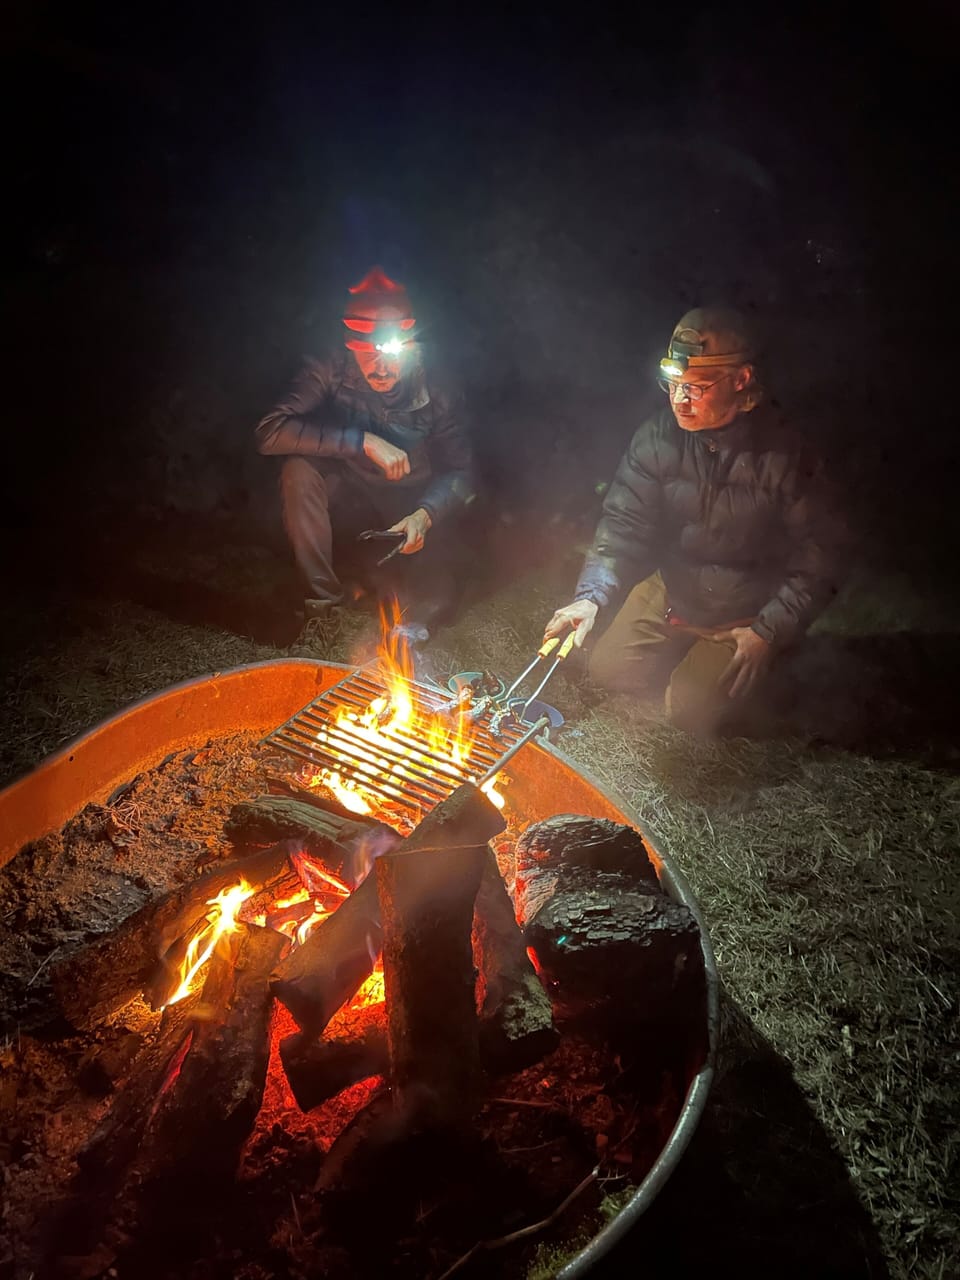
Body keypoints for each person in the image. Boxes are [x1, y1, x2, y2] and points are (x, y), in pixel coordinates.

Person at [543, 306, 841, 735]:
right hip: (675, 591)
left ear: (740, 380)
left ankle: (774, 661)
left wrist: (768, 631)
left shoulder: (787, 454)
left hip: (744, 612)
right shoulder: (657, 437)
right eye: (673, 384)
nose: (679, 399)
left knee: (688, 712)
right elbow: (622, 526)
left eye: (696, 387)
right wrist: (590, 597)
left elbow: (822, 555)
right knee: (608, 671)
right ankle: (684, 642)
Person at [256, 266, 476, 644]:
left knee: (433, 588)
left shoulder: (437, 385)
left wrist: (426, 514)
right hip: (352, 493)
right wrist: (361, 441)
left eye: (390, 353)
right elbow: (269, 432)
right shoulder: (330, 368)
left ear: (410, 344)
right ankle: (323, 605)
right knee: (298, 470)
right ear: (349, 347)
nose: (380, 366)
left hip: (409, 503)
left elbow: (463, 471)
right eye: (365, 353)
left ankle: (395, 589)